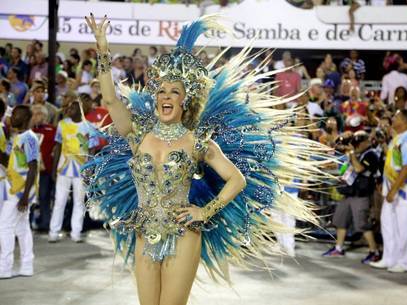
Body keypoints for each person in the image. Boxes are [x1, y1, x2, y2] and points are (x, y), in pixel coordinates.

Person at [83, 14, 332, 305]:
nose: (166, 96)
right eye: (161, 90)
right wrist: (103, 51)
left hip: (184, 234)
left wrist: (206, 211)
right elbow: (111, 100)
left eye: (174, 92)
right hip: (144, 232)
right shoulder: (137, 135)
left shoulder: (197, 141)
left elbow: (236, 179)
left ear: (184, 100)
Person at [370, 110, 407, 273]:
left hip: (406, 191)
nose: (393, 119)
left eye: (396, 117)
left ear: (405, 121)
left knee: (405, 228)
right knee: (388, 224)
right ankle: (389, 258)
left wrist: (394, 189)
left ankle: (405, 263)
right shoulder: (397, 138)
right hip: (392, 189)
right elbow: (394, 163)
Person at [323, 131, 380, 264]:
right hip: (348, 193)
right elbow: (346, 169)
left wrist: (352, 154)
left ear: (366, 142)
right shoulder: (354, 153)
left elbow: (359, 169)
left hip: (361, 195)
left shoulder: (371, 155)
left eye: (358, 143)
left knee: (362, 224)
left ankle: (374, 252)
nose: (356, 145)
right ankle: (338, 248)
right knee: (340, 221)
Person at [48, 101, 98, 243]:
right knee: (59, 201)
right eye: (68, 107)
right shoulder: (62, 124)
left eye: (73, 107)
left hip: (81, 170)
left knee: (79, 202)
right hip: (63, 169)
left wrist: (89, 170)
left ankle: (76, 233)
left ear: (80, 109)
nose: (69, 109)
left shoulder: (89, 127)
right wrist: (53, 168)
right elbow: (58, 146)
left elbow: (92, 150)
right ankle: (53, 232)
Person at [0, 105, 39, 279]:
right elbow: (9, 160)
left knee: (5, 226)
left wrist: (25, 196)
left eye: (15, 115)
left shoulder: (29, 138)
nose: (12, 117)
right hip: (15, 187)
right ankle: (27, 266)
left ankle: (5, 267)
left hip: (20, 190)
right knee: (22, 228)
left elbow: (33, 167)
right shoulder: (17, 137)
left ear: (24, 118)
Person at [31, 104, 56, 232]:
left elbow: (57, 148)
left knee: (44, 196)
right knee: (30, 198)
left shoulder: (52, 130)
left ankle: (45, 222)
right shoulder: (28, 130)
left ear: (44, 115)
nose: (34, 117)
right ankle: (28, 223)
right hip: (30, 170)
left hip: (46, 171)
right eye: (33, 114)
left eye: (37, 113)